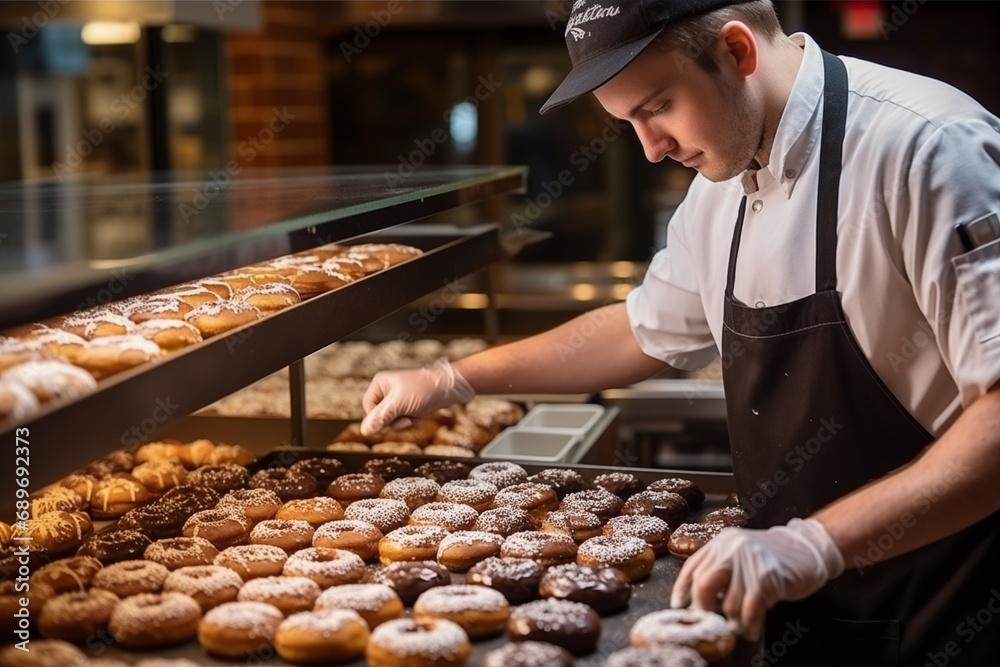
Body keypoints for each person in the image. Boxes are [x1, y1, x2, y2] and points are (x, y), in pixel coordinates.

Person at [361, 1, 1000, 663]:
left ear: (736, 52)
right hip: (795, 605)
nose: (651, 147)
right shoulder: (720, 184)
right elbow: (640, 331)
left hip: (944, 604)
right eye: (629, 122)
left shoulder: (926, 150)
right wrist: (455, 378)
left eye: (658, 106)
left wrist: (814, 543)